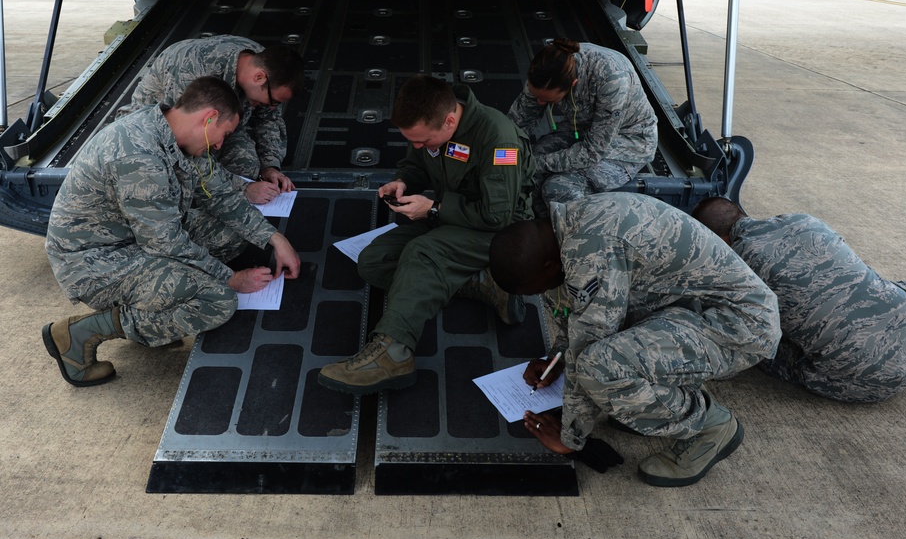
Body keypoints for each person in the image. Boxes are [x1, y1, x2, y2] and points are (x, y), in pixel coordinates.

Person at [488, 193, 781, 487]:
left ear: (550, 266)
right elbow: (581, 315)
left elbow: (588, 346)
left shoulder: (592, 252)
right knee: (602, 359)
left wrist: (570, 437)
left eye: (535, 289)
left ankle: (710, 425)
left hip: (739, 327)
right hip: (692, 310)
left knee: (600, 367)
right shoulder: (569, 224)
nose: (539, 294)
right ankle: (648, 398)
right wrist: (556, 360)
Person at [43, 77, 301, 387]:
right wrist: (230, 279)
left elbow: (221, 196)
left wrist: (274, 239)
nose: (220, 145)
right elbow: (164, 242)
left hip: (133, 237)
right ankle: (79, 334)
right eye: (224, 134)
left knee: (230, 236)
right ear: (208, 119)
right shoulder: (138, 155)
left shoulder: (176, 135)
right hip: (93, 259)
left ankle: (155, 301)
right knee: (217, 301)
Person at [318, 75, 535, 394]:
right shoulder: (429, 124)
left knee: (423, 252)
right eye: (413, 140)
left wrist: (433, 208)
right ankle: (483, 283)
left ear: (450, 120)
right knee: (374, 262)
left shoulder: (498, 139)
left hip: (503, 234)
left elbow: (496, 216)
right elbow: (416, 163)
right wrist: (403, 181)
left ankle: (393, 353)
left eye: (422, 141)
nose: (417, 145)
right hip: (453, 217)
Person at [691, 197, 906, 402]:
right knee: (899, 293)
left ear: (721, 240)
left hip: (870, 380)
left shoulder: (738, 265)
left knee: (764, 346)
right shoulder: (804, 221)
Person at [117, 34, 305, 205]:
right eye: (272, 101)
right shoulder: (190, 70)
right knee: (177, 187)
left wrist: (270, 166)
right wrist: (242, 188)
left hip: (219, 126)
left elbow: (268, 119)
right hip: (158, 137)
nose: (272, 107)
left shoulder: (260, 61)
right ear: (258, 77)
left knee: (245, 166)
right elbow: (183, 148)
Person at [507, 38, 658, 217]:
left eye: (547, 101)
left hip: (626, 143)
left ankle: (582, 233)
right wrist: (502, 152)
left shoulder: (613, 79)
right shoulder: (546, 68)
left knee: (557, 188)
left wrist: (534, 163)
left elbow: (592, 152)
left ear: (572, 84)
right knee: (529, 172)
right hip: (578, 129)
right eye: (537, 96)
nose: (540, 102)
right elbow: (520, 119)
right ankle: (538, 226)